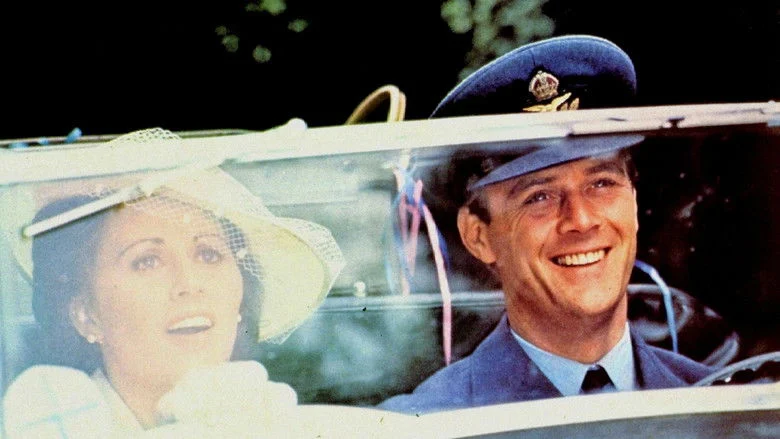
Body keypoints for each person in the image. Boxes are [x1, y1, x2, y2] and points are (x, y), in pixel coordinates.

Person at [379, 35, 716, 414]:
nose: (581, 220)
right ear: (478, 236)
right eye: (539, 196)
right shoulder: (429, 425)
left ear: (634, 203)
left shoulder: (721, 406)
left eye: (602, 183)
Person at [2, 128, 347, 436]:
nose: (190, 283)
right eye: (147, 262)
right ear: (86, 314)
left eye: (209, 254)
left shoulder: (271, 414)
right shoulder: (50, 416)